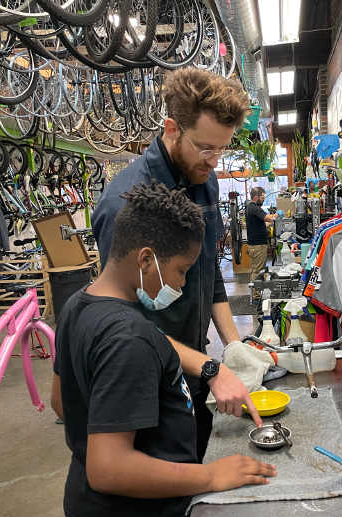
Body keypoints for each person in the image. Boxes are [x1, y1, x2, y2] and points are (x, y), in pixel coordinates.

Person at [51, 183, 276, 517]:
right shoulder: (128, 339)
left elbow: (61, 403)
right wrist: (210, 475)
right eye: (182, 270)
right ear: (146, 259)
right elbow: (108, 469)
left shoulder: (77, 306)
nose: (182, 283)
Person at [92, 68, 253, 459]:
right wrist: (211, 368)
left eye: (223, 149)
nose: (215, 161)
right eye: (205, 148)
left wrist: (234, 347)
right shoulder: (125, 206)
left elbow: (210, 268)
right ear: (171, 128)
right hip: (146, 383)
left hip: (194, 371)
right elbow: (122, 323)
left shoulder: (204, 181)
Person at [245, 187, 278, 287]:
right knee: (258, 272)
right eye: (262, 197)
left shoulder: (251, 207)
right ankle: (256, 296)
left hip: (256, 245)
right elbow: (269, 218)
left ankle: (257, 293)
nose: (263, 199)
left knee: (258, 270)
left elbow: (261, 224)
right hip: (257, 246)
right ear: (256, 197)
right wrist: (276, 215)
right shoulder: (254, 208)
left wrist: (269, 224)